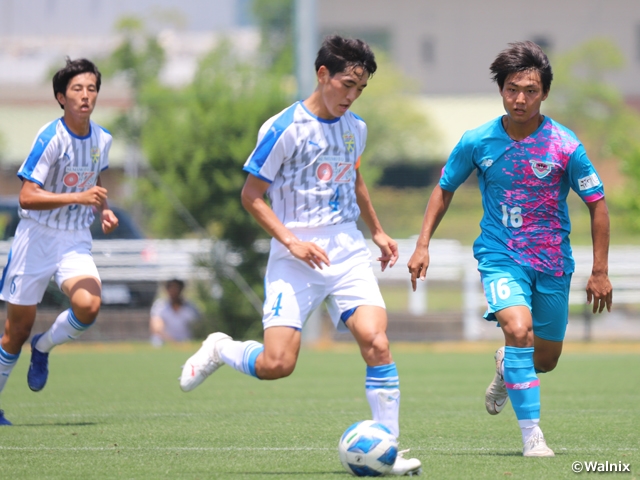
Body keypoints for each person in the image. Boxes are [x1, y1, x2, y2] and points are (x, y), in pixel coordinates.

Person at [179, 35, 422, 475]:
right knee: (277, 364)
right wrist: (292, 242)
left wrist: (378, 231)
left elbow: (354, 180)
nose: (352, 95)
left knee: (377, 342)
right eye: (346, 84)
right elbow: (251, 195)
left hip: (346, 250)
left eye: (360, 88)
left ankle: (389, 450)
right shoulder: (283, 128)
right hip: (296, 257)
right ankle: (220, 348)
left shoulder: (356, 128)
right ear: (322, 74)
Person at [408, 41, 612, 457]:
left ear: (545, 93)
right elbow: (444, 189)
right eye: (512, 89)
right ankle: (532, 436)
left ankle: (508, 366)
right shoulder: (477, 141)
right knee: (519, 330)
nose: (520, 99)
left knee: (545, 359)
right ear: (501, 89)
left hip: (552, 262)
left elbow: (598, 205)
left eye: (530, 91)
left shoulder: (565, 145)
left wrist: (600, 271)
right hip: (500, 256)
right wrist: (422, 244)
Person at [0, 58, 118, 426]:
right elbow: (26, 196)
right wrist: (78, 197)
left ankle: (44, 346)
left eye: (91, 89)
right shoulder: (50, 137)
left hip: (74, 238)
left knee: (89, 305)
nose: (86, 96)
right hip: (36, 237)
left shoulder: (102, 139)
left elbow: (94, 181)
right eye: (77, 89)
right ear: (61, 97)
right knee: (15, 331)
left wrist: (104, 210)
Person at [150, 279, 200, 347]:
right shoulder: (160, 306)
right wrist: (173, 342)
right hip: (163, 342)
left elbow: (198, 326)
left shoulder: (191, 307)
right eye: (171, 288)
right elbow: (157, 328)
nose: (174, 291)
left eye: (177, 288)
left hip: (185, 342)